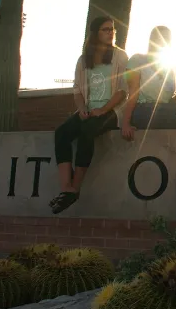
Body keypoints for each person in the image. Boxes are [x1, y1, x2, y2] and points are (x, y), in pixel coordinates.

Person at [50, 16, 131, 214]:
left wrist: (103, 110)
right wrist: (83, 109)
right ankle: (66, 188)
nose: (111, 32)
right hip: (89, 110)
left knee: (87, 131)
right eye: (105, 29)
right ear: (95, 33)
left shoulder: (120, 57)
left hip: (111, 111)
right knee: (61, 133)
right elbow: (77, 90)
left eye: (112, 29)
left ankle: (75, 189)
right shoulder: (84, 59)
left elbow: (123, 90)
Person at [122, 25, 176, 130]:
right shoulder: (138, 59)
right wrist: (125, 123)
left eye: (167, 39)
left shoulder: (171, 64)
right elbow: (133, 93)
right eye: (160, 38)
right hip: (144, 109)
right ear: (152, 40)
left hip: (167, 106)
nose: (164, 42)